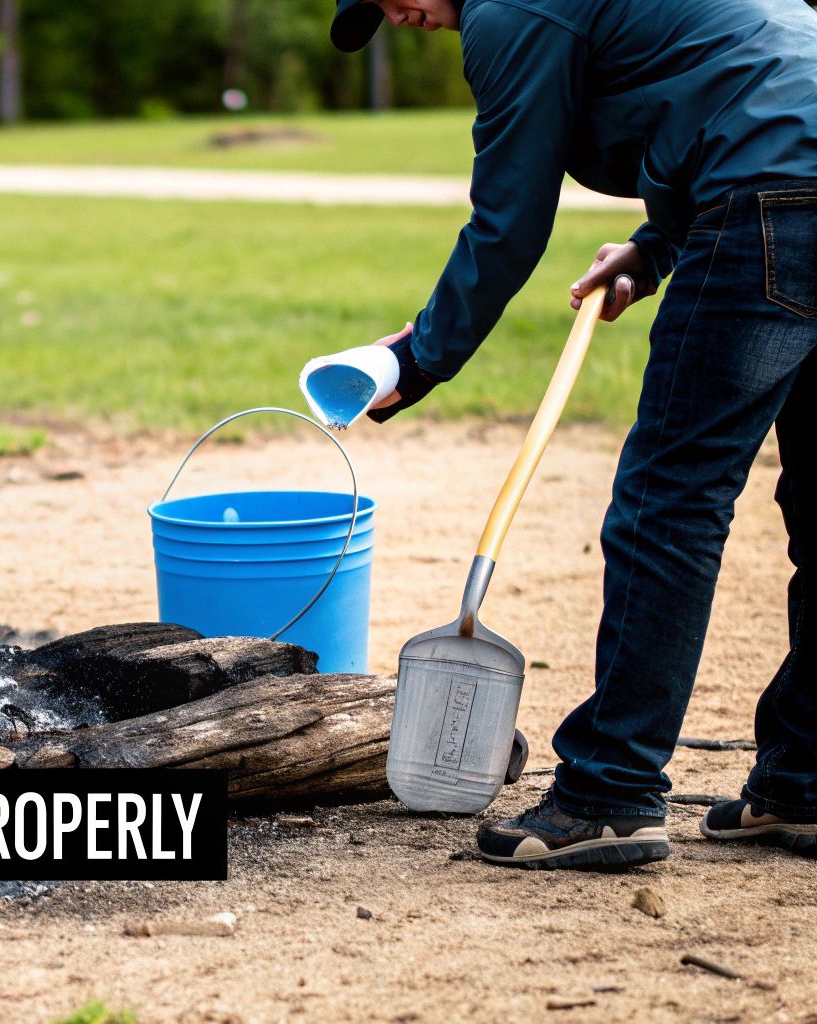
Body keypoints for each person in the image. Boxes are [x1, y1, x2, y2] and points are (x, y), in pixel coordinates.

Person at [330, 0, 817, 868]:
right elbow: (727, 80)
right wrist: (655, 246)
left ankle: (609, 792)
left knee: (671, 502)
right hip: (782, 174)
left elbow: (508, 217)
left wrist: (418, 360)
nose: (396, 18)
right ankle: (804, 781)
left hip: (767, 197)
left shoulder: (508, 12)